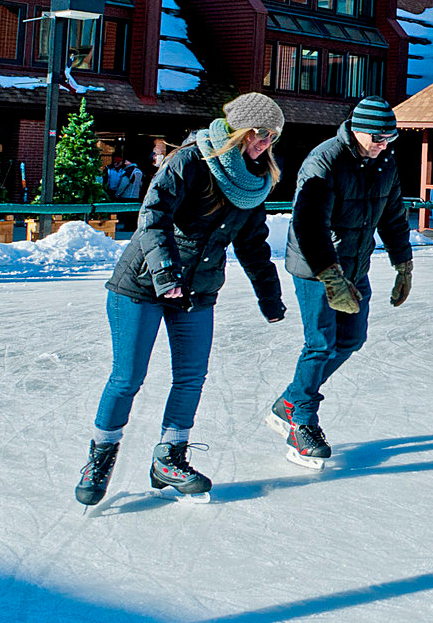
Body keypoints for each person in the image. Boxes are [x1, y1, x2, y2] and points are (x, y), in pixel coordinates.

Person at [77, 94, 285, 506]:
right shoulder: (191, 160)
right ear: (239, 128)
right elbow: (154, 215)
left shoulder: (256, 180)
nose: (264, 141)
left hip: (199, 289)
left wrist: (269, 294)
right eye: (259, 132)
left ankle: (168, 458)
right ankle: (100, 458)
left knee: (191, 377)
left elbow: (252, 243)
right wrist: (165, 272)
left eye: (272, 135)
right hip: (142, 284)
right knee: (127, 379)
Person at [270, 96, 414, 469]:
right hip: (317, 267)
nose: (385, 144)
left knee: (352, 339)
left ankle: (292, 397)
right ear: (358, 130)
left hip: (355, 264)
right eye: (379, 137)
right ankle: (301, 420)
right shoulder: (325, 160)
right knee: (320, 343)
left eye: (390, 138)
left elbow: (394, 214)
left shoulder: (384, 161)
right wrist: (330, 276)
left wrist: (403, 263)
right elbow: (308, 225)